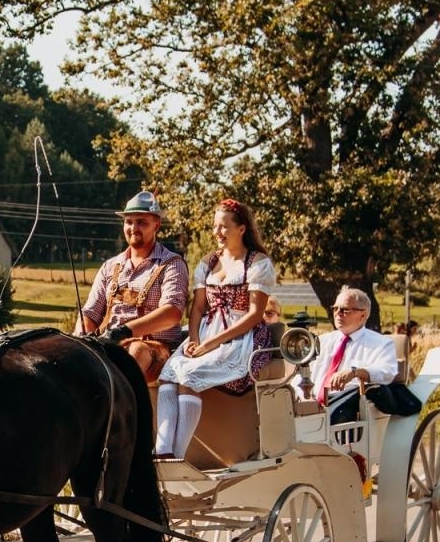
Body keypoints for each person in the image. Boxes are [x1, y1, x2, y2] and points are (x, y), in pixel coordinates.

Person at [154, 197, 278, 458]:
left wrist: (211, 345)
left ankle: (176, 455)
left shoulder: (257, 263)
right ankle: (162, 449)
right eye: (215, 226)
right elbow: (198, 308)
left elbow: (255, 314)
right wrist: (195, 340)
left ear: (241, 228)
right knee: (168, 374)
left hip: (242, 337)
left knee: (188, 379)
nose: (217, 232)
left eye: (224, 227)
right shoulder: (209, 262)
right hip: (208, 331)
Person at [77, 190, 189, 382]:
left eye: (141, 222)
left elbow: (172, 313)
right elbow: (90, 313)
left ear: (157, 225)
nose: (133, 228)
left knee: (136, 350)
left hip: (156, 348)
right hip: (108, 345)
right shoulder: (110, 267)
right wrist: (81, 338)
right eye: (129, 222)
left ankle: (120, 408)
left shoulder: (171, 264)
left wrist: (124, 331)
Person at [304, 287, 400, 423]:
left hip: (346, 412)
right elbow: (302, 374)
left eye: (344, 310)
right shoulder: (322, 341)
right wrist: (301, 396)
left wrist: (355, 373)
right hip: (311, 405)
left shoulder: (381, 344)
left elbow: (386, 372)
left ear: (363, 315)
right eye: (335, 308)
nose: (338, 313)